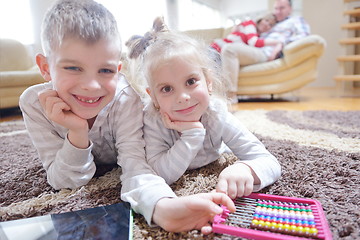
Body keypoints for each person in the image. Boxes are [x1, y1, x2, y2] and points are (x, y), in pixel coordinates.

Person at [19, 0, 235, 235]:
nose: (92, 86)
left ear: (118, 69)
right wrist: (77, 133)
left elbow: (136, 166)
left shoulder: (125, 100)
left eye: (105, 70)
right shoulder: (34, 103)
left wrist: (162, 206)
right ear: (45, 67)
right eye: (73, 68)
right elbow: (63, 182)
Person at [126, 17, 281, 204]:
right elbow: (160, 174)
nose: (183, 96)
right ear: (153, 97)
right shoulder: (153, 120)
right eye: (167, 89)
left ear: (208, 83)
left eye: (191, 82)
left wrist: (245, 169)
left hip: (216, 149)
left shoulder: (216, 113)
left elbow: (268, 161)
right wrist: (192, 134)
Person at [221, 0, 310, 100]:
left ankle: (230, 96)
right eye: (276, 8)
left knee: (230, 49)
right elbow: (253, 36)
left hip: (264, 53)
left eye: (282, 8)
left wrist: (281, 44)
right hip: (253, 49)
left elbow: (304, 36)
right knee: (226, 49)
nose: (278, 11)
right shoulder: (272, 22)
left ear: (290, 9)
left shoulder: (296, 20)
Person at [211, 13, 282, 60]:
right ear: (261, 20)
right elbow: (253, 42)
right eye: (266, 20)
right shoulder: (250, 24)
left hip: (225, 55)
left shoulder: (259, 36)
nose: (267, 25)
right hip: (217, 49)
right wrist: (277, 42)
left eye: (270, 25)